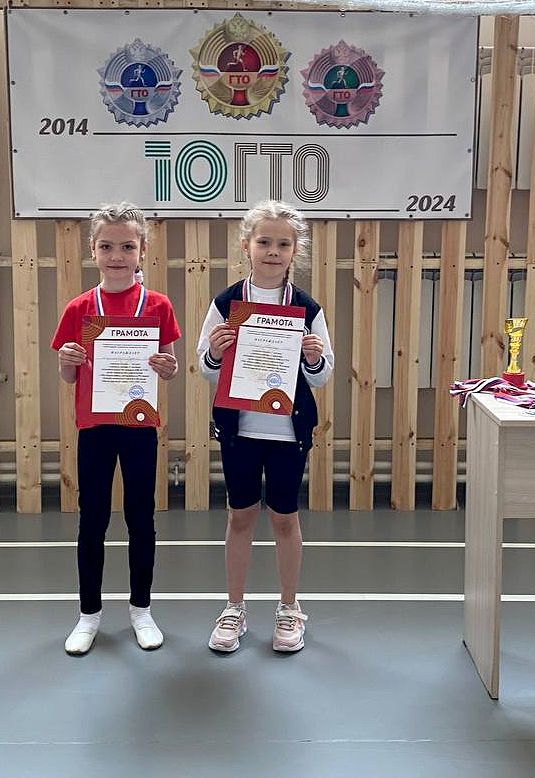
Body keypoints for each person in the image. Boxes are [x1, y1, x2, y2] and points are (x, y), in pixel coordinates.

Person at [197, 200, 333, 654]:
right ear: (246, 246)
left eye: (283, 244)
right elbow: (206, 367)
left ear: (295, 251)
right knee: (239, 517)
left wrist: (313, 358)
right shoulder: (226, 303)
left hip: (287, 433)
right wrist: (215, 351)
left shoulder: (306, 308)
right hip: (240, 430)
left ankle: (289, 607)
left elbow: (322, 375)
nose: (273, 251)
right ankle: (234, 607)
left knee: (284, 518)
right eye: (264, 242)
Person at [52, 202, 181, 655]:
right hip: (95, 427)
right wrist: (67, 360)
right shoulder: (80, 307)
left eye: (127, 246)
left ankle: (141, 609)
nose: (117, 255)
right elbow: (69, 376)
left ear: (142, 250)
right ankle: (88, 614)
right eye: (107, 246)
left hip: (139, 424)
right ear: (93, 250)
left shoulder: (158, 304)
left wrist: (167, 367)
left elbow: (168, 367)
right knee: (93, 518)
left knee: (141, 517)